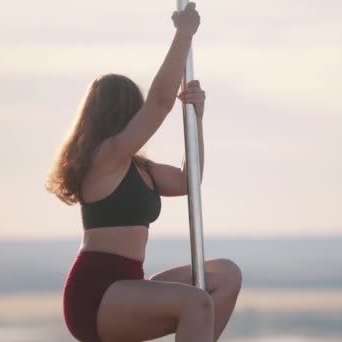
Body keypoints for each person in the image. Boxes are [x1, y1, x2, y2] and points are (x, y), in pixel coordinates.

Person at [45, 3, 242, 342]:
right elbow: (160, 103)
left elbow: (188, 181)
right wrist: (184, 33)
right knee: (196, 303)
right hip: (95, 295)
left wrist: (196, 119)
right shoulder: (102, 158)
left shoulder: (140, 168)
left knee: (225, 275)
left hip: (129, 286)